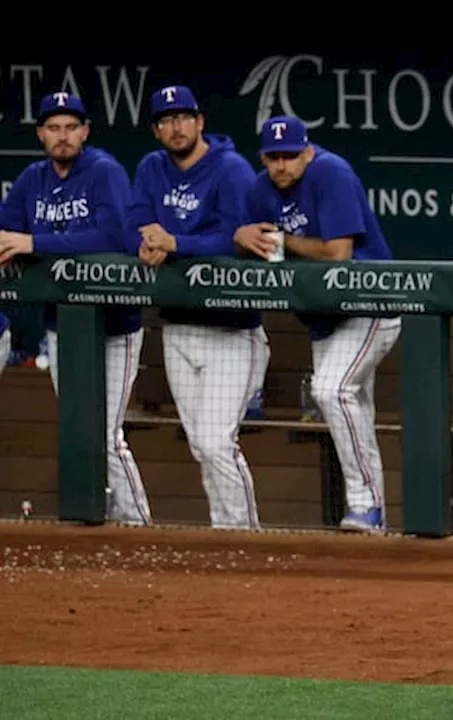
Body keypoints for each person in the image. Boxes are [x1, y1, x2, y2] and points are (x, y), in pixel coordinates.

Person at [234, 115, 401, 534]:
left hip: (370, 305)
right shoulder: (259, 188)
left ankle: (366, 505)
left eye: (290, 156)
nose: (282, 166)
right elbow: (257, 249)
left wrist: (282, 242)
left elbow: (338, 253)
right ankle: (373, 514)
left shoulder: (331, 172)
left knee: (331, 389)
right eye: (273, 157)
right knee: (351, 402)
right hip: (324, 318)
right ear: (263, 158)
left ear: (307, 152)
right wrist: (242, 236)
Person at [0, 92, 152, 525]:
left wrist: (34, 243)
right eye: (53, 128)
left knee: (105, 432)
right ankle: (103, 517)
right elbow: (7, 229)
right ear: (40, 134)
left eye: (71, 127)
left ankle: (138, 520)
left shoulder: (104, 172)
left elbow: (113, 237)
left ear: (85, 132)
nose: (62, 136)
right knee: (82, 431)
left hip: (115, 326)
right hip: (61, 325)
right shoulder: (32, 179)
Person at [126, 85, 266, 530]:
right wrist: (144, 238)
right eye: (166, 120)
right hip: (178, 326)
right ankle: (226, 531)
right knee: (201, 445)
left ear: (200, 122)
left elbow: (245, 242)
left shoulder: (231, 170)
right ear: (156, 130)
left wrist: (176, 243)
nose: (176, 126)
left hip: (231, 329)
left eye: (184, 117)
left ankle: (247, 533)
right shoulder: (151, 167)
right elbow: (135, 215)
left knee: (214, 440)